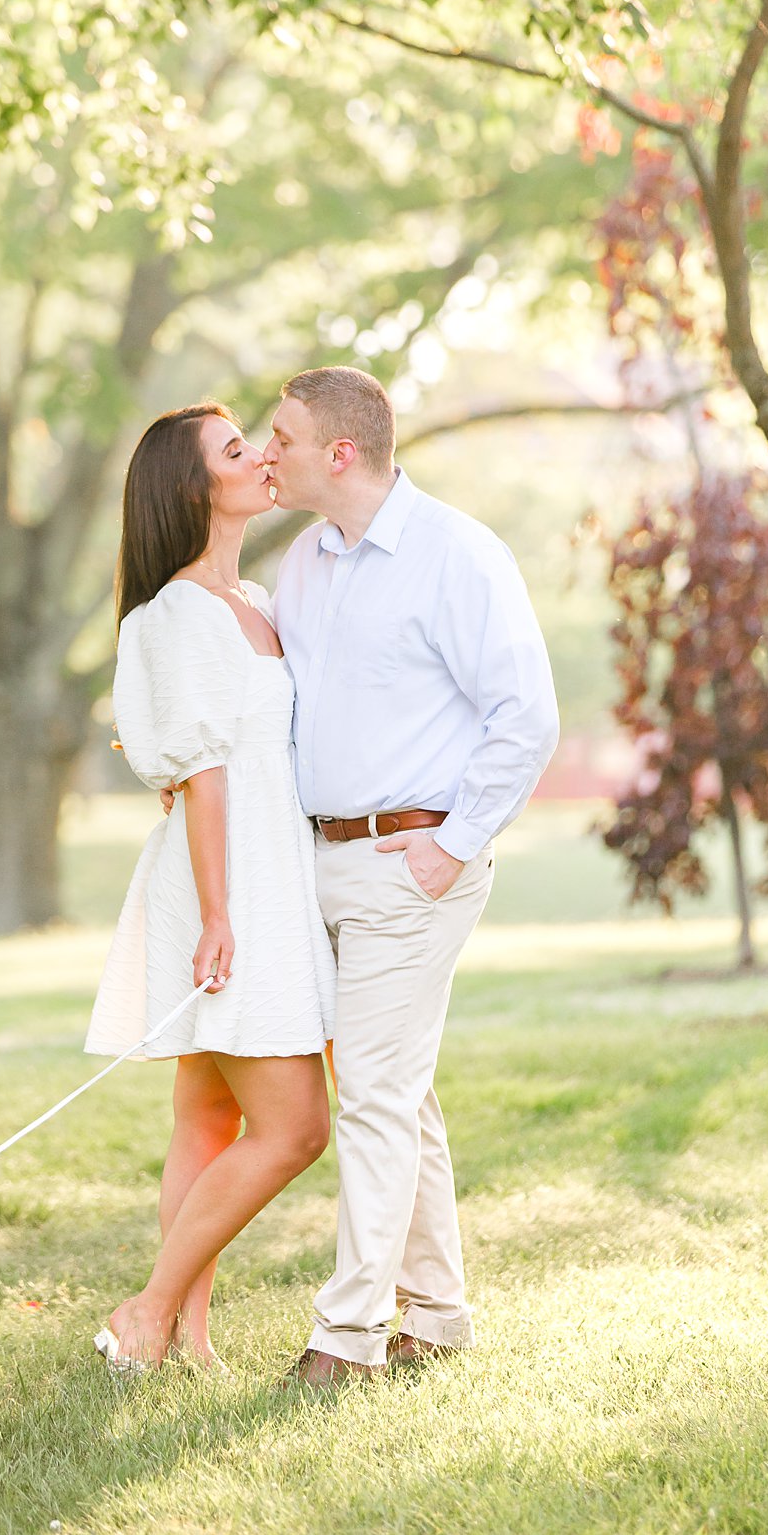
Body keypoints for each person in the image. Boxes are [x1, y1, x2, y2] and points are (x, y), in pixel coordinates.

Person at [261, 366, 558, 1386]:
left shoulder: (456, 556)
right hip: (322, 861)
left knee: (375, 1098)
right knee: (397, 1092)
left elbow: (526, 716)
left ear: (336, 453)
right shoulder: (302, 564)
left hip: (412, 864)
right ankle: (435, 1315)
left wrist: (452, 842)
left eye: (282, 437)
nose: (269, 453)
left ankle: (345, 1338)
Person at [86, 403, 336, 1374]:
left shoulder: (261, 603)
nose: (262, 457)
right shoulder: (178, 615)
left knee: (208, 1117)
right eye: (238, 451)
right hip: (227, 890)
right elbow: (201, 773)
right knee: (295, 1128)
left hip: (269, 877)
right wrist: (221, 913)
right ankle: (148, 1313)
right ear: (196, 488)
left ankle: (183, 1340)